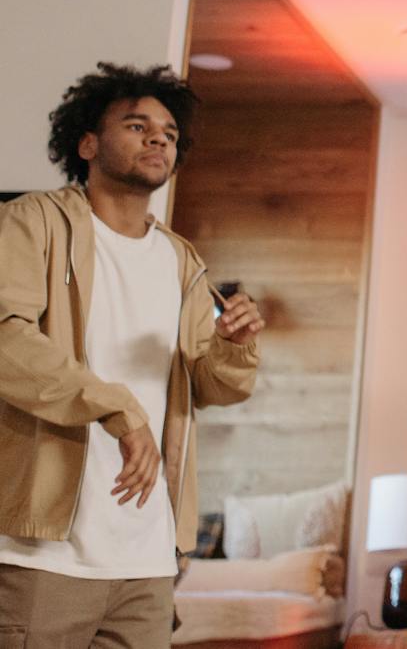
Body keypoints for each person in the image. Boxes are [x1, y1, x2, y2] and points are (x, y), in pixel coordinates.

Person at [0, 63, 263, 644]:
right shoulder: (30, 223)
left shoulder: (182, 262)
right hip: (40, 553)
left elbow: (216, 387)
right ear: (87, 143)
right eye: (138, 125)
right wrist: (115, 405)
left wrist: (233, 348)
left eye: (169, 133)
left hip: (147, 559)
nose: (158, 140)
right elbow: (5, 339)